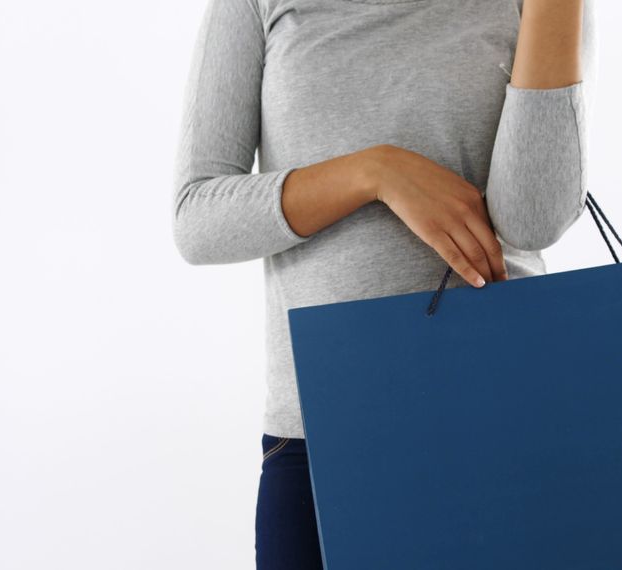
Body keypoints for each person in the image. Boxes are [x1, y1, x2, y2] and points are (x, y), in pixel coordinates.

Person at [172, 0, 597, 567]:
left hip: (503, 424)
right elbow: (197, 217)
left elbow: (534, 218)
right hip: (324, 437)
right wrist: (375, 172)